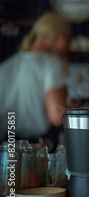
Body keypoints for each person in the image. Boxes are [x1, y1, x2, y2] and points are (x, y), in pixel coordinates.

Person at [0, 12, 72, 149]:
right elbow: (57, 117)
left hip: (6, 146)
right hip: (37, 148)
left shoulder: (5, 66)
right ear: (61, 40)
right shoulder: (53, 64)